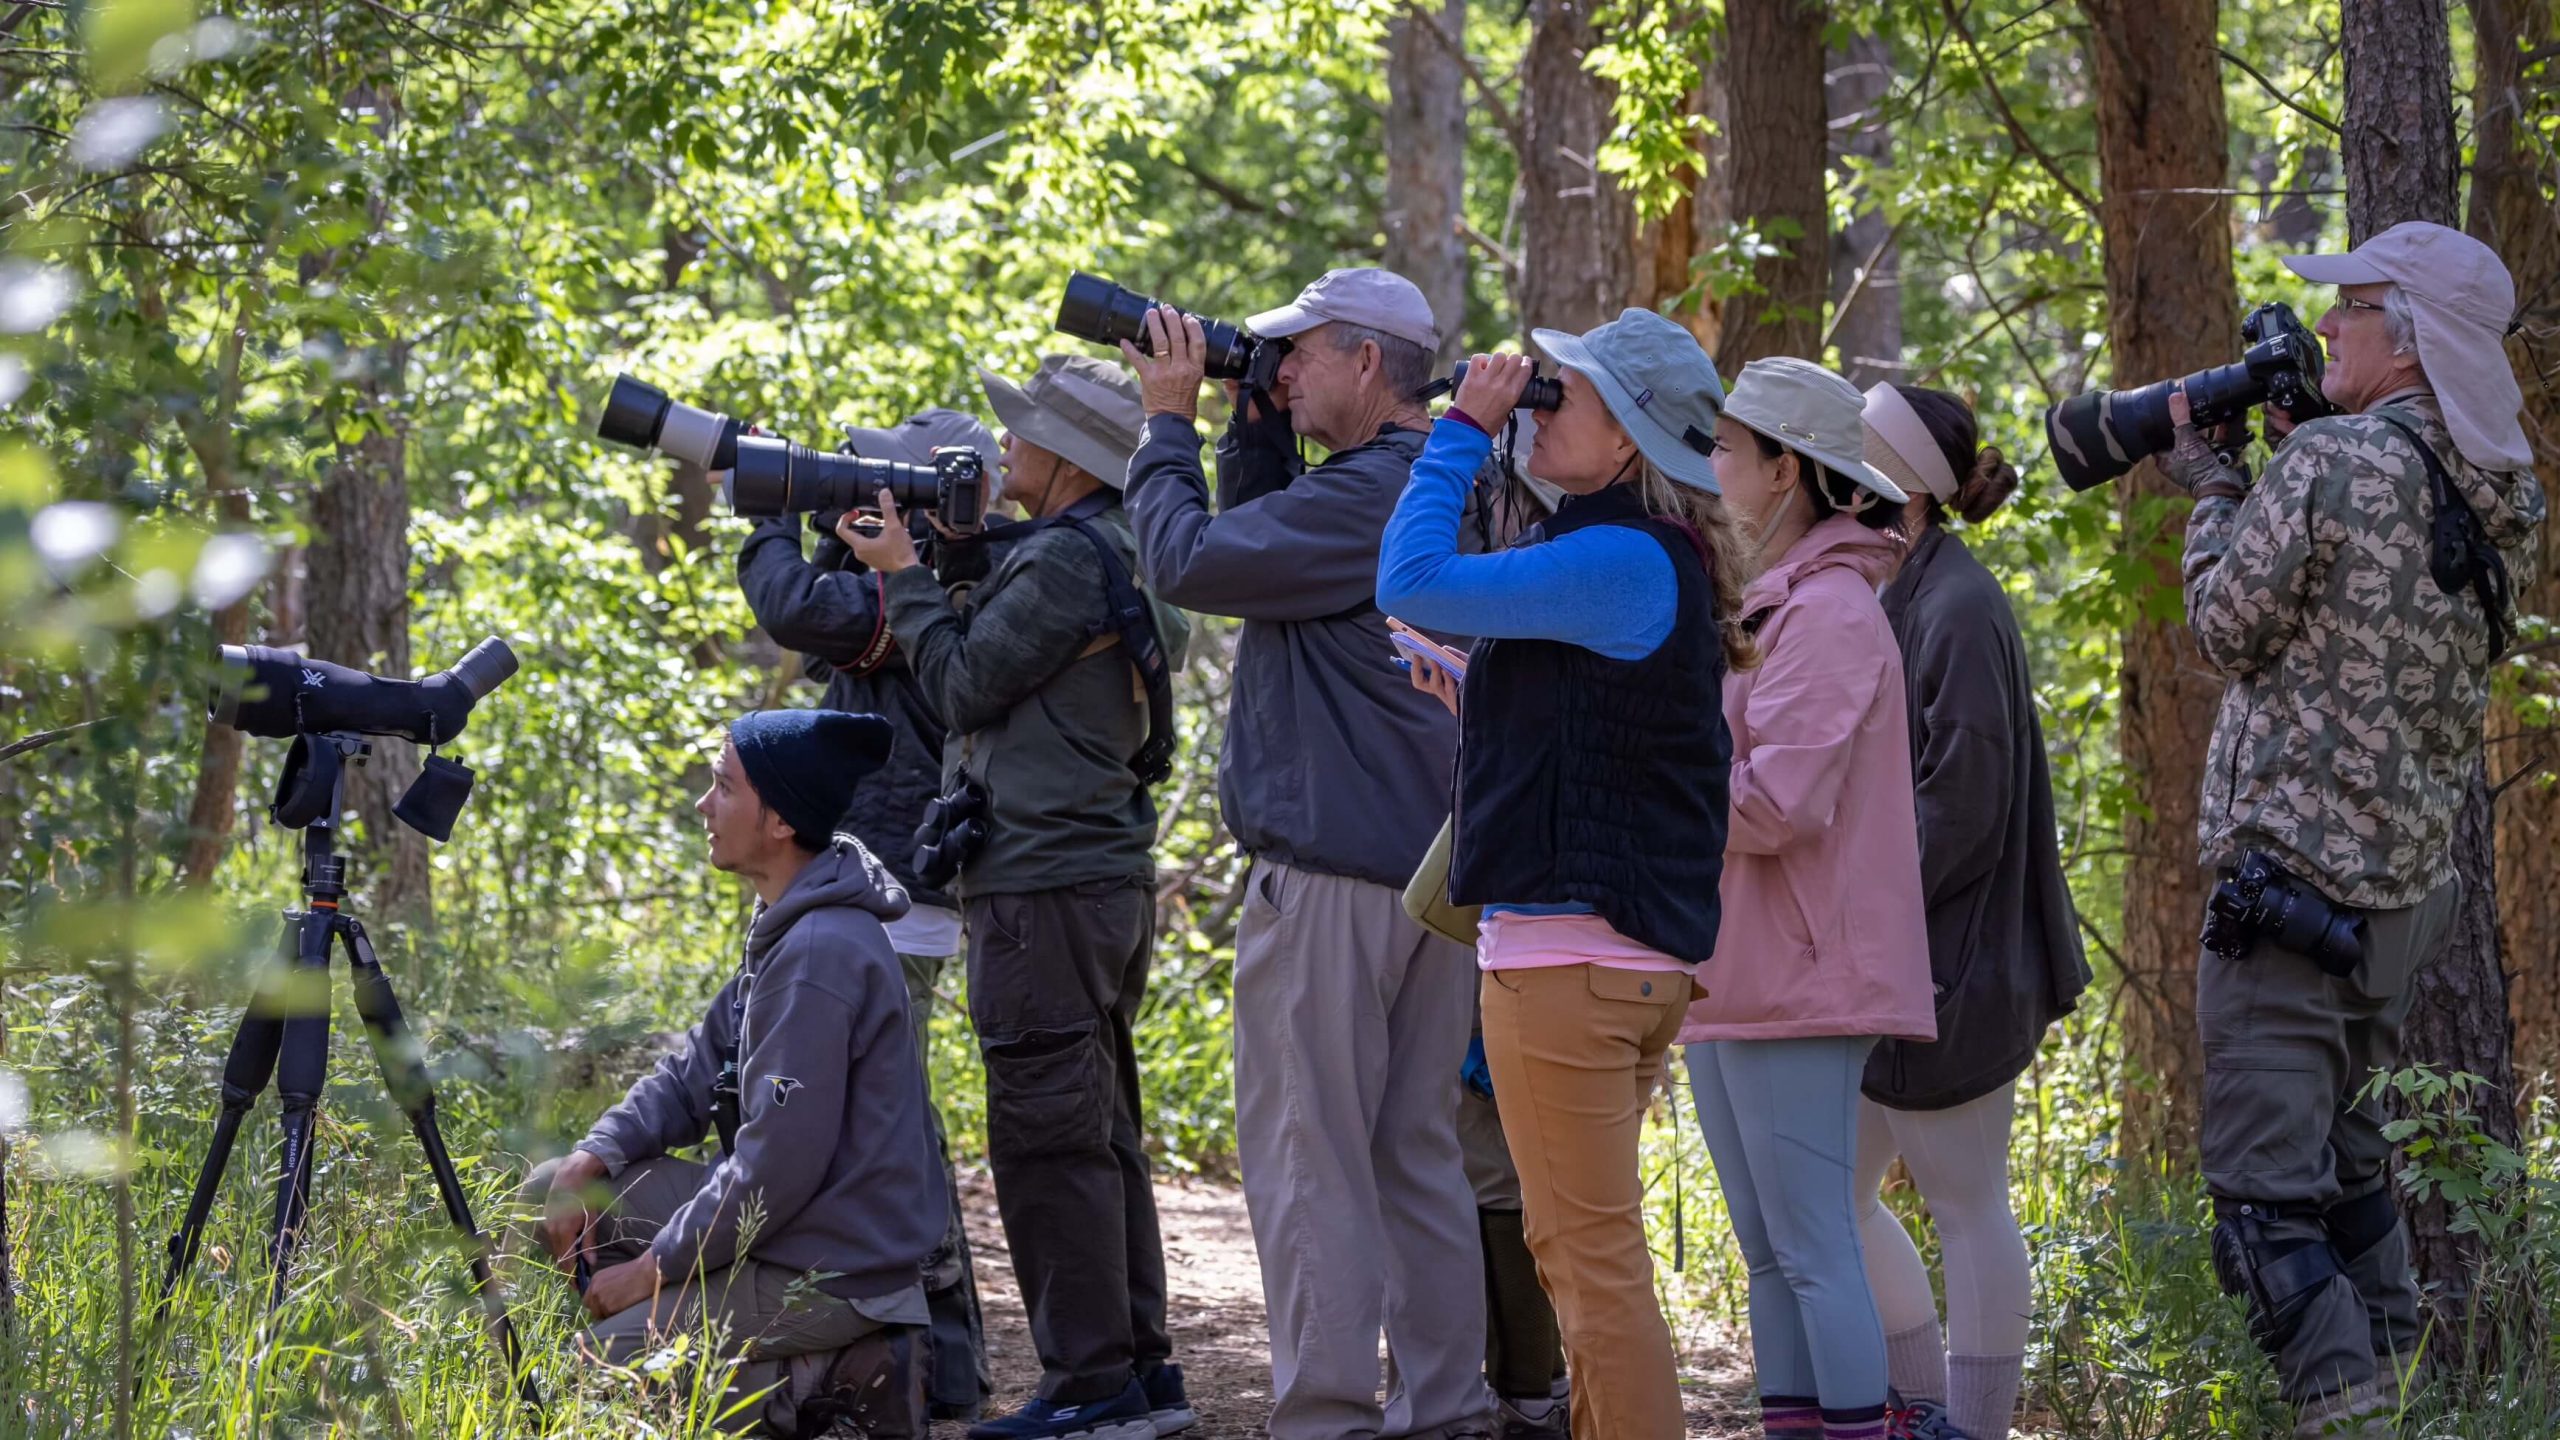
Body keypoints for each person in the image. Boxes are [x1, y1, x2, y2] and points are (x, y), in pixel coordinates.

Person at [2160, 221, 2545, 1440]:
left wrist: (2220, 485)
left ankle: (2355, 1424)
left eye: (2351, 307)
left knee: (2266, 1216)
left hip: (2286, 902)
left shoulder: (2328, 466)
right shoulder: (2506, 489)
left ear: (2410, 335)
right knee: (2349, 1178)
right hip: (2395, 911)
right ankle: (2401, 1410)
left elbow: (2227, 625)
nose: (2324, 325)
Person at [1120, 268, 1490, 1440]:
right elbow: (1261, 563)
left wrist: (1168, 421)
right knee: (1411, 1160)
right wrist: (1255, 435)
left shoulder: (1370, 496)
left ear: (1367, 361)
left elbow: (1188, 564)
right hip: (1427, 878)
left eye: (1297, 356)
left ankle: (1325, 1416)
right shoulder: (1431, 484)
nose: (1275, 373)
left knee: (1309, 1161)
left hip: (1333, 883)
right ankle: (1443, 1410)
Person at [1378, 310, 1756, 1438]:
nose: (1540, 404)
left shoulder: (1618, 557)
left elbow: (1409, 575)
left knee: (1591, 1273)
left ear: (1629, 442)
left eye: (1566, 394)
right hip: (1609, 966)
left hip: (1572, 972)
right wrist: (1484, 692)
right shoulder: (1636, 560)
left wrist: (1458, 427)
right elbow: (1603, 736)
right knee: (1577, 1258)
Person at [854, 353, 1194, 1440]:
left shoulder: (1063, 563)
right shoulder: (1110, 548)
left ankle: (1090, 1387)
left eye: (1023, 434)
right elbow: (1009, 670)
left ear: (1069, 458)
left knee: (1050, 1141)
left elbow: (957, 684)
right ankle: (1140, 1376)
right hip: (1092, 876)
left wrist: (904, 574)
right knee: (1100, 1131)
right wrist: (954, 562)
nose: (1006, 448)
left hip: (1043, 885)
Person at [526, 709, 944, 1439]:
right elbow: (694, 1069)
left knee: (595, 1371)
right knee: (554, 1189)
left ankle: (827, 1383)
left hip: (837, 1267)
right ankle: (797, 1366)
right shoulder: (791, 920)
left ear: (779, 820)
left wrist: (652, 1270)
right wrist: (594, 1154)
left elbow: (772, 1168)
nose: (703, 805)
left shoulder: (819, 955)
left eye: (723, 786)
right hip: (794, 1227)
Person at [1678, 356, 1936, 1440]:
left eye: (1728, 452)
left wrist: (1643, 770)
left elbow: (1779, 807)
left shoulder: (1829, 612)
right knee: (1773, 1252)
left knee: (1815, 1248)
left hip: (1802, 973)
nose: (1710, 470)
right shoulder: (1773, 602)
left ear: (1787, 471)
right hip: (1737, 966)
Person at [731, 404, 999, 1421]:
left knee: (893, 1133)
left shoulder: (921, 583)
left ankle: (941, 1362)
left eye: (875, 486)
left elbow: (798, 610)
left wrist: (764, 510)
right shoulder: (913, 575)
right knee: (894, 1125)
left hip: (896, 898)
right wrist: (814, 511)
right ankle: (946, 1361)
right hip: (887, 891)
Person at [1853, 384, 2092, 1440]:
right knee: (1826, 1194)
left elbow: (1964, 802)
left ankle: (1973, 1427)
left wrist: (1845, 895)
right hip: (1878, 962)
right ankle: (1922, 1411)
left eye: (1847, 455)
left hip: (1952, 963)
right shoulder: (1892, 586)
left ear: (1899, 486)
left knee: (1963, 1202)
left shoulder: (1956, 605)